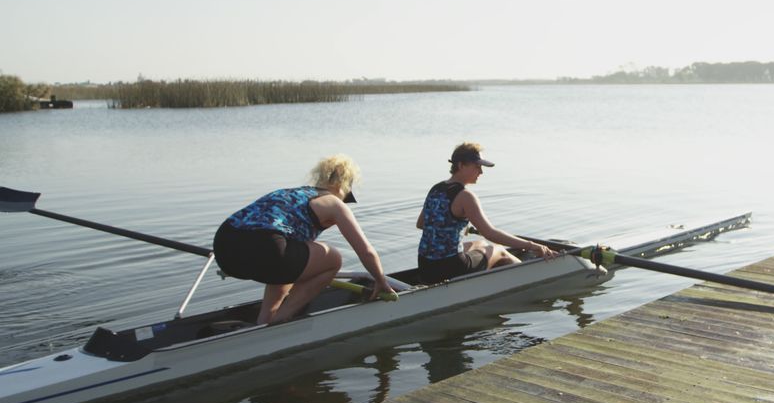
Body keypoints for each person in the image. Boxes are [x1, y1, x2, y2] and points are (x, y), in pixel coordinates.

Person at [214, 154, 394, 324]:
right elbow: (366, 251)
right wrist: (380, 280)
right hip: (267, 248)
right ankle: (280, 320)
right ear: (342, 185)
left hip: (224, 247)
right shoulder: (334, 203)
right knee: (333, 258)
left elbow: (258, 232)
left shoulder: (289, 193)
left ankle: (265, 319)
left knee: (292, 257)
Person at [416, 142, 558, 284]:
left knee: (480, 243)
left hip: (425, 266)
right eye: (477, 166)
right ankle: (530, 279)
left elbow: (422, 224)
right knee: (496, 249)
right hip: (451, 269)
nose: (481, 172)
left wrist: (454, 227)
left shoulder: (436, 189)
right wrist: (532, 245)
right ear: (460, 165)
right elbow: (490, 233)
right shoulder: (466, 196)